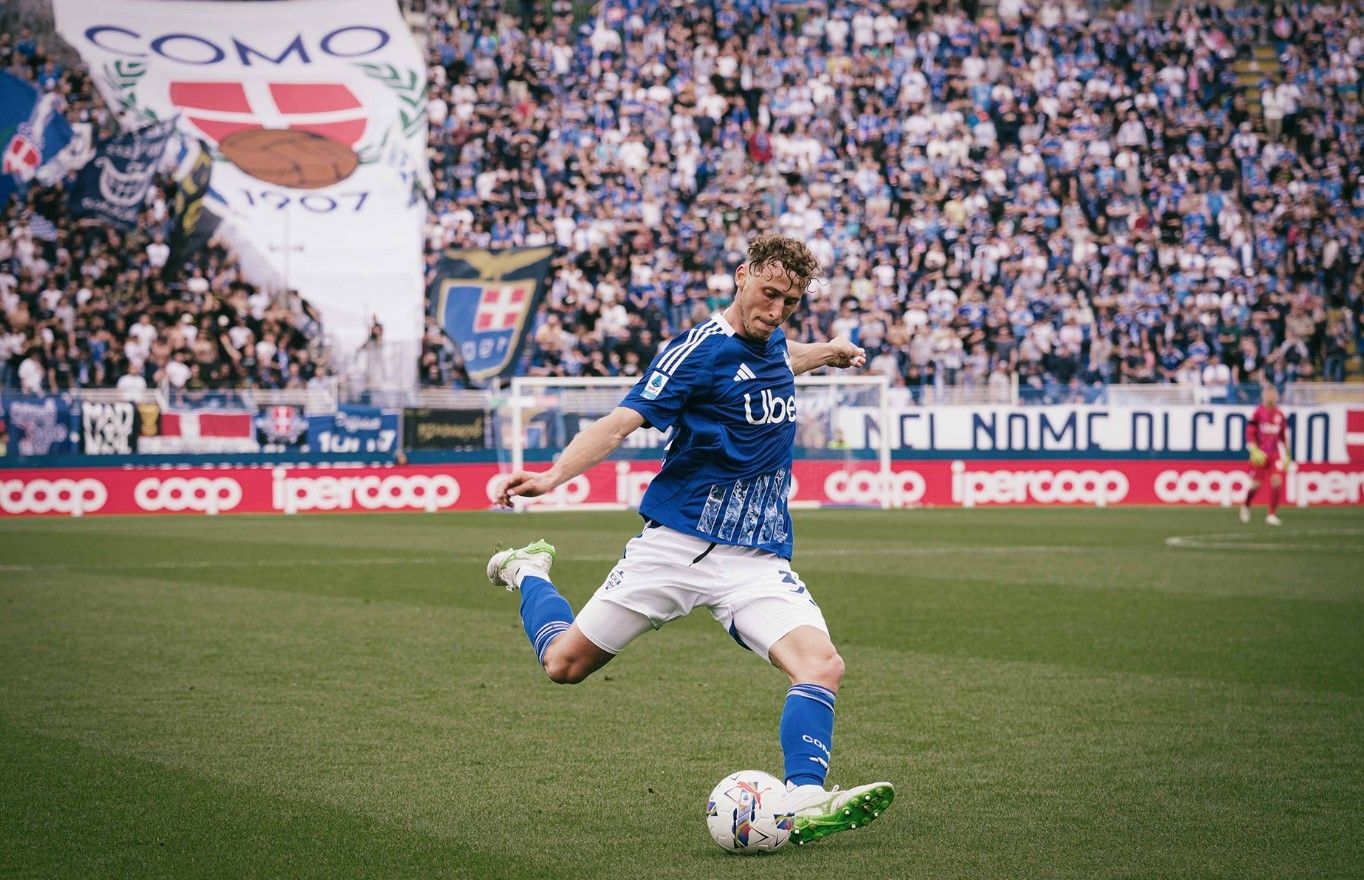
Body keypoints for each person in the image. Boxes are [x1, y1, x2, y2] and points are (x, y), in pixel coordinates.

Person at [486, 233, 894, 845]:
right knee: (563, 666)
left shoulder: (772, 340)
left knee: (821, 665)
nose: (777, 310)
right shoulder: (695, 352)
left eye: (790, 301)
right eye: (769, 293)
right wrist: (551, 476)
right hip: (676, 547)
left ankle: (806, 798)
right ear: (742, 275)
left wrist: (829, 352)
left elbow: (782, 357)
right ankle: (529, 571)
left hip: (755, 558)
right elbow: (619, 422)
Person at [1240, 384, 1291, 526]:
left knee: (1277, 481)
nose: (1271, 397)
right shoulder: (1258, 412)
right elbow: (1250, 432)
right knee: (1256, 485)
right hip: (1260, 454)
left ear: (1276, 396)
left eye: (1273, 394)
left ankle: (1271, 514)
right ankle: (1246, 504)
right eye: (1268, 394)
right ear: (1264, 396)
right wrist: (1254, 450)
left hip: (1275, 454)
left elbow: (1283, 436)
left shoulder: (1280, 414)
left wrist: (1287, 453)